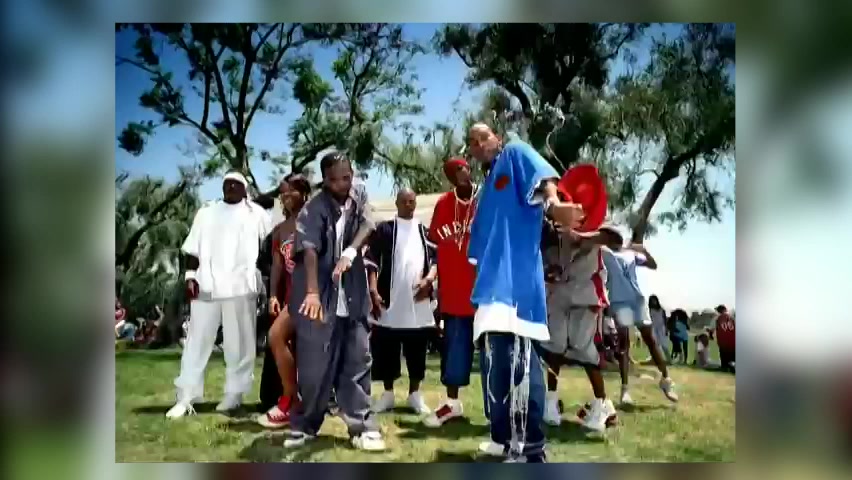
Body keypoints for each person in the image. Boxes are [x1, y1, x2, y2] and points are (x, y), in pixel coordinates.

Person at [465, 123, 584, 463]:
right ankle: (502, 438)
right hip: (489, 288)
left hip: (515, 285)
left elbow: (542, 180)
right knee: (495, 367)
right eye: (472, 142)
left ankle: (530, 449)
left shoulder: (514, 153)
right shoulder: (486, 189)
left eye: (484, 137)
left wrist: (555, 205)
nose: (478, 144)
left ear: (497, 138)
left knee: (521, 364)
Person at [284, 152, 385, 451]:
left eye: (347, 177)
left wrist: (351, 252)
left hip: (352, 293)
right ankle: (306, 425)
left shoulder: (359, 194)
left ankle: (362, 427)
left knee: (357, 359)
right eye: (335, 179)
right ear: (325, 180)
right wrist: (313, 293)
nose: (342, 184)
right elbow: (309, 250)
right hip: (319, 295)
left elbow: (368, 223)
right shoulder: (313, 209)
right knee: (314, 367)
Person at [166, 171, 274, 419]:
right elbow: (192, 248)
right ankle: (186, 397)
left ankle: (234, 396)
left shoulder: (257, 214)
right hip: (207, 284)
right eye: (227, 183)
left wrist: (265, 283)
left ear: (245, 189)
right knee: (196, 342)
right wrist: (190, 276)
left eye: (236, 184)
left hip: (242, 287)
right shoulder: (206, 212)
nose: (231, 187)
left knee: (240, 344)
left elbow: (269, 248)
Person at [365, 188, 436, 415]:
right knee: (386, 349)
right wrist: (373, 291)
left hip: (417, 303)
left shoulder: (423, 231)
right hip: (389, 302)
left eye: (412, 201)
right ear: (397, 203)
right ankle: (387, 395)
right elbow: (371, 261)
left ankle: (415, 395)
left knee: (417, 350)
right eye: (404, 201)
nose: (409, 205)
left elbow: (435, 260)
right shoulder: (385, 229)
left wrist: (429, 280)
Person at [540, 224, 616, 432]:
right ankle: (550, 400)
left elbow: (614, 238)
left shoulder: (592, 219)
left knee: (583, 346)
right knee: (554, 344)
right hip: (558, 288)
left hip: (586, 288)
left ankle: (602, 403)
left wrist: (583, 237)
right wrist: (549, 267)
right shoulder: (549, 221)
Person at [422, 158, 480, 428]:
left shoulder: (485, 199)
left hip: (485, 292)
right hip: (454, 293)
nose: (460, 173)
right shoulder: (444, 204)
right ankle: (453, 404)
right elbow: (434, 249)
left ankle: (498, 407)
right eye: (453, 171)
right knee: (454, 351)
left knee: (494, 353)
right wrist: (430, 279)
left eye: (462, 168)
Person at [600, 226, 679, 406]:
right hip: (620, 302)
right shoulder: (603, 252)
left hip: (638, 301)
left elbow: (653, 265)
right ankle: (625, 391)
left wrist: (643, 250)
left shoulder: (631, 254)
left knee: (651, 341)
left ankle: (666, 380)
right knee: (623, 345)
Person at [257, 174, 312, 428]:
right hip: (292, 298)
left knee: (301, 349)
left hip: (314, 296)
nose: (286, 196)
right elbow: (278, 267)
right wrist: (272, 296)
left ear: (304, 192)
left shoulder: (315, 220)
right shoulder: (281, 230)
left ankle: (297, 401)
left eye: (291, 191)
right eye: (283, 193)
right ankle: (290, 399)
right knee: (276, 337)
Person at [714, 304, 736, 373]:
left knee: (724, 359)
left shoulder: (718, 319)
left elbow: (717, 329)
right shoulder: (732, 317)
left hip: (723, 342)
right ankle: (733, 368)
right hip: (733, 341)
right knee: (733, 358)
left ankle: (725, 368)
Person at [648, 295, 670, 362]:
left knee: (664, 345)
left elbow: (665, 320)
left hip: (661, 328)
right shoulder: (650, 310)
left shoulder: (661, 309)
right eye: (652, 301)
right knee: (654, 344)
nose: (653, 302)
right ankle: (654, 359)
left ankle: (669, 359)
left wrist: (666, 329)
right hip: (654, 328)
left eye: (654, 300)